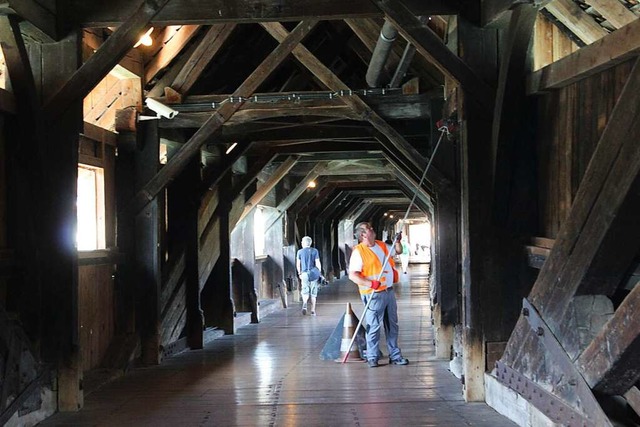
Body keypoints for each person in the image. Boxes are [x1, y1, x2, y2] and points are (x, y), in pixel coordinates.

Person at [348, 222, 409, 368]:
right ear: (363, 234)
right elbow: (353, 275)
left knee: (392, 325)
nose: (372, 229)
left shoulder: (382, 246)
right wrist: (370, 284)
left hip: (388, 291)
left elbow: (398, 251)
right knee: (374, 326)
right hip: (373, 294)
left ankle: (395, 355)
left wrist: (398, 241)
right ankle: (372, 356)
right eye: (369, 228)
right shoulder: (359, 252)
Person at [296, 236, 322, 316]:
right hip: (313, 273)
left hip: (304, 273)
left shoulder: (300, 252)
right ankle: (313, 310)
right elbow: (318, 263)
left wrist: (299, 273)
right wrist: (319, 273)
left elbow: (298, 264)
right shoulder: (315, 251)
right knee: (313, 292)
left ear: (303, 243)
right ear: (310, 243)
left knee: (305, 290)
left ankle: (304, 303)